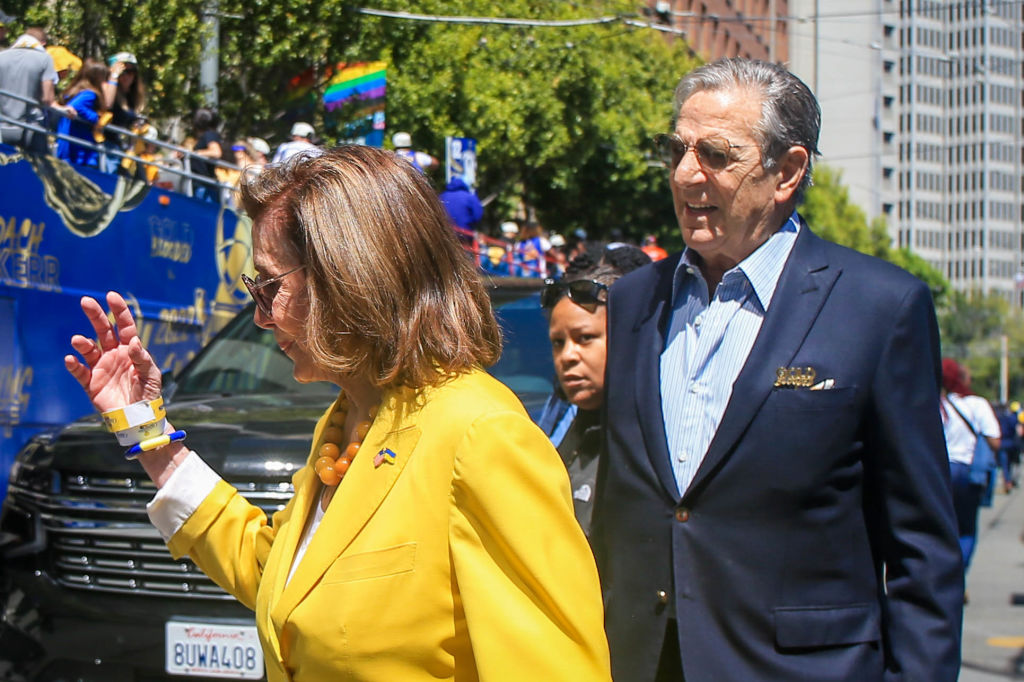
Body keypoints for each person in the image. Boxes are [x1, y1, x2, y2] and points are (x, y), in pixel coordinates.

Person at [63, 145, 611, 681]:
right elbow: (281, 577)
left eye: (270, 286)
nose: (260, 317)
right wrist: (147, 430)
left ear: (352, 277)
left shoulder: (481, 434)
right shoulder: (348, 419)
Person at [594, 57, 963, 681]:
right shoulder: (633, 301)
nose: (686, 174)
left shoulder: (879, 307)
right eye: (676, 149)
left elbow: (922, 550)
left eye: (715, 153)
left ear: (787, 172)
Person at [539, 256, 643, 535]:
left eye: (584, 338)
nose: (567, 356)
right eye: (558, 343)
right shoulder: (565, 441)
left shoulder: (650, 446)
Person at [940, 358, 1000, 580]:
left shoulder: (933, 403)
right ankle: (957, 577)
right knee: (966, 529)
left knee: (941, 527)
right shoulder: (977, 404)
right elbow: (995, 440)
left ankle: (940, 576)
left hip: (939, 472)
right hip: (966, 472)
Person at [0, 27, 58, 153]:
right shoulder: (45, 58)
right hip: (31, 128)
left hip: (3, 126)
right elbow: (47, 99)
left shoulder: (1, 56)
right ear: (42, 43)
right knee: (41, 170)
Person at [55, 58, 108, 168]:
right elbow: (76, 106)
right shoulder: (90, 94)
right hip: (80, 153)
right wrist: (96, 118)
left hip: (67, 147)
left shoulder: (74, 92)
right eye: (104, 78)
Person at [100, 51, 146, 173]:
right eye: (124, 71)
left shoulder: (133, 97)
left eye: (131, 72)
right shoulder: (108, 87)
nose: (128, 76)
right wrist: (113, 76)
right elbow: (107, 104)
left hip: (124, 149)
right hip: (107, 146)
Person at [186, 107, 223, 203]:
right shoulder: (205, 136)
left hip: (204, 186)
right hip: (199, 184)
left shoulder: (209, 135)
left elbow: (216, 152)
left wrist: (196, 153)